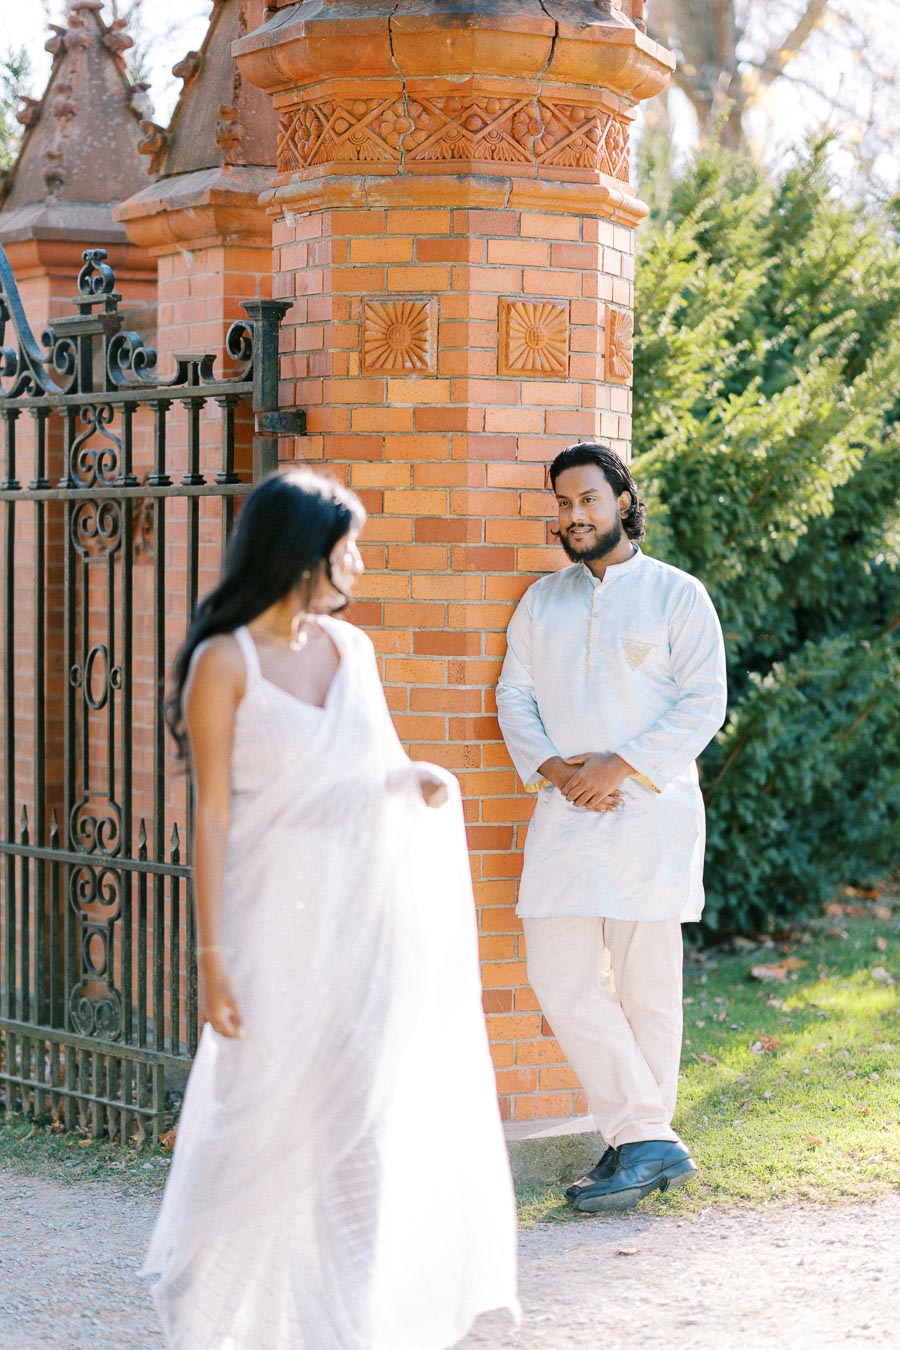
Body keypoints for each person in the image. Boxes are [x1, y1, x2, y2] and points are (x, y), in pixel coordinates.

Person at [143, 469, 518, 1348]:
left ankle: (347, 1331)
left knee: (363, 1134)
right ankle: (207, 1311)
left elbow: (367, 764)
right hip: (269, 929)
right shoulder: (222, 661)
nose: (357, 561)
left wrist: (413, 777)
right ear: (303, 553)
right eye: (345, 546)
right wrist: (209, 957)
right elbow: (212, 813)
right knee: (254, 1127)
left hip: (361, 925)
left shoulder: (355, 655)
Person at [496, 443, 727, 1213]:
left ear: (623, 500)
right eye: (563, 504)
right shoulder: (544, 600)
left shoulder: (676, 596)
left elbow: (703, 704)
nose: (574, 516)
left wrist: (618, 766)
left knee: (646, 991)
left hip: (648, 817)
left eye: (588, 500)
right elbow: (513, 698)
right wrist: (562, 774)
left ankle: (637, 1143)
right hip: (563, 814)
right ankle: (647, 1137)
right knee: (558, 975)